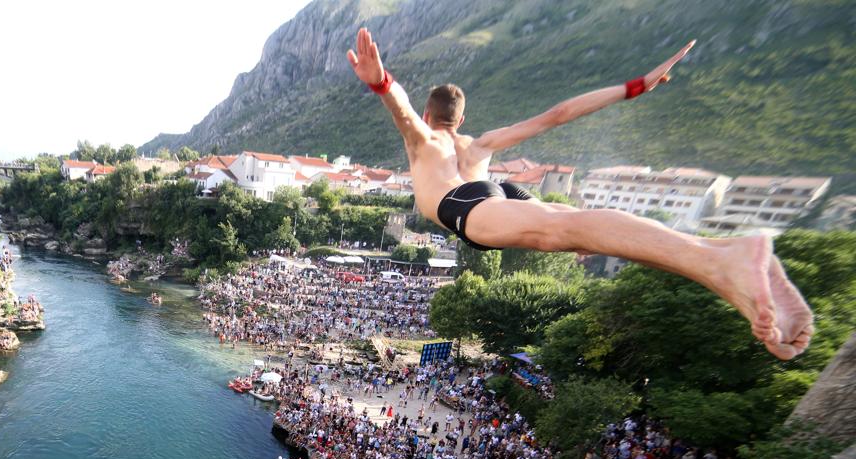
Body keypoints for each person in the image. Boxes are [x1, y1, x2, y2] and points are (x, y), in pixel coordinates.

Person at [346, 27, 813, 360]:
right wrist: (632, 87)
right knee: (585, 234)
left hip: (463, 206)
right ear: (461, 119)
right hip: (492, 191)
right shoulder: (479, 144)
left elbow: (401, 111)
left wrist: (381, 83)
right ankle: (720, 261)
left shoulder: (424, 141)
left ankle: (726, 259)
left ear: (432, 116)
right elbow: (556, 115)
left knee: (566, 230)